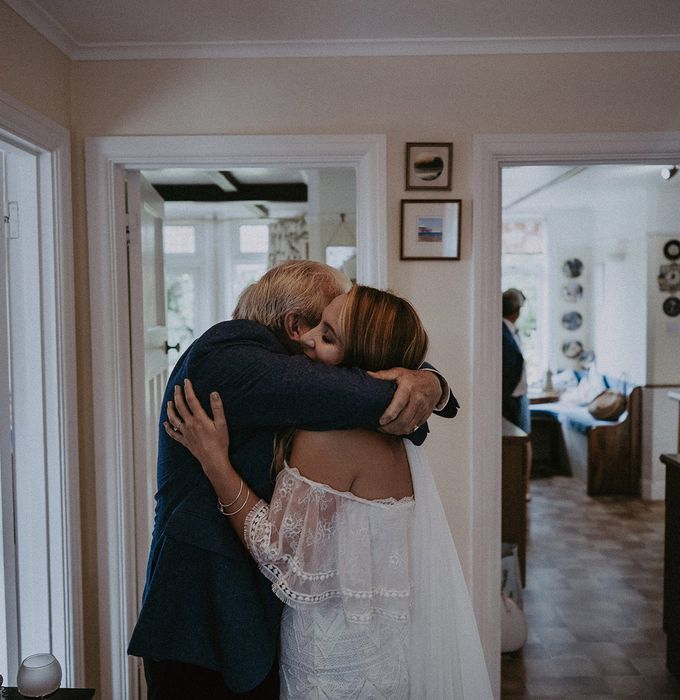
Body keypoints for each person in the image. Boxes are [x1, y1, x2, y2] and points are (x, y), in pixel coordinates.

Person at [127, 261, 458, 699]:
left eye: (333, 330)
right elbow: (379, 398)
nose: (313, 339)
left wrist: (431, 383)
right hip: (202, 618)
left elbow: (396, 409)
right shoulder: (225, 356)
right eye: (323, 323)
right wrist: (425, 385)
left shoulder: (305, 397)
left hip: (263, 620)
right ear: (295, 324)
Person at [502, 288, 532, 500]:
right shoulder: (501, 332)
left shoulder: (511, 331)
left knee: (524, 442)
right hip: (510, 399)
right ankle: (519, 489)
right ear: (517, 310)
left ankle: (523, 487)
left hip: (518, 397)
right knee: (520, 444)